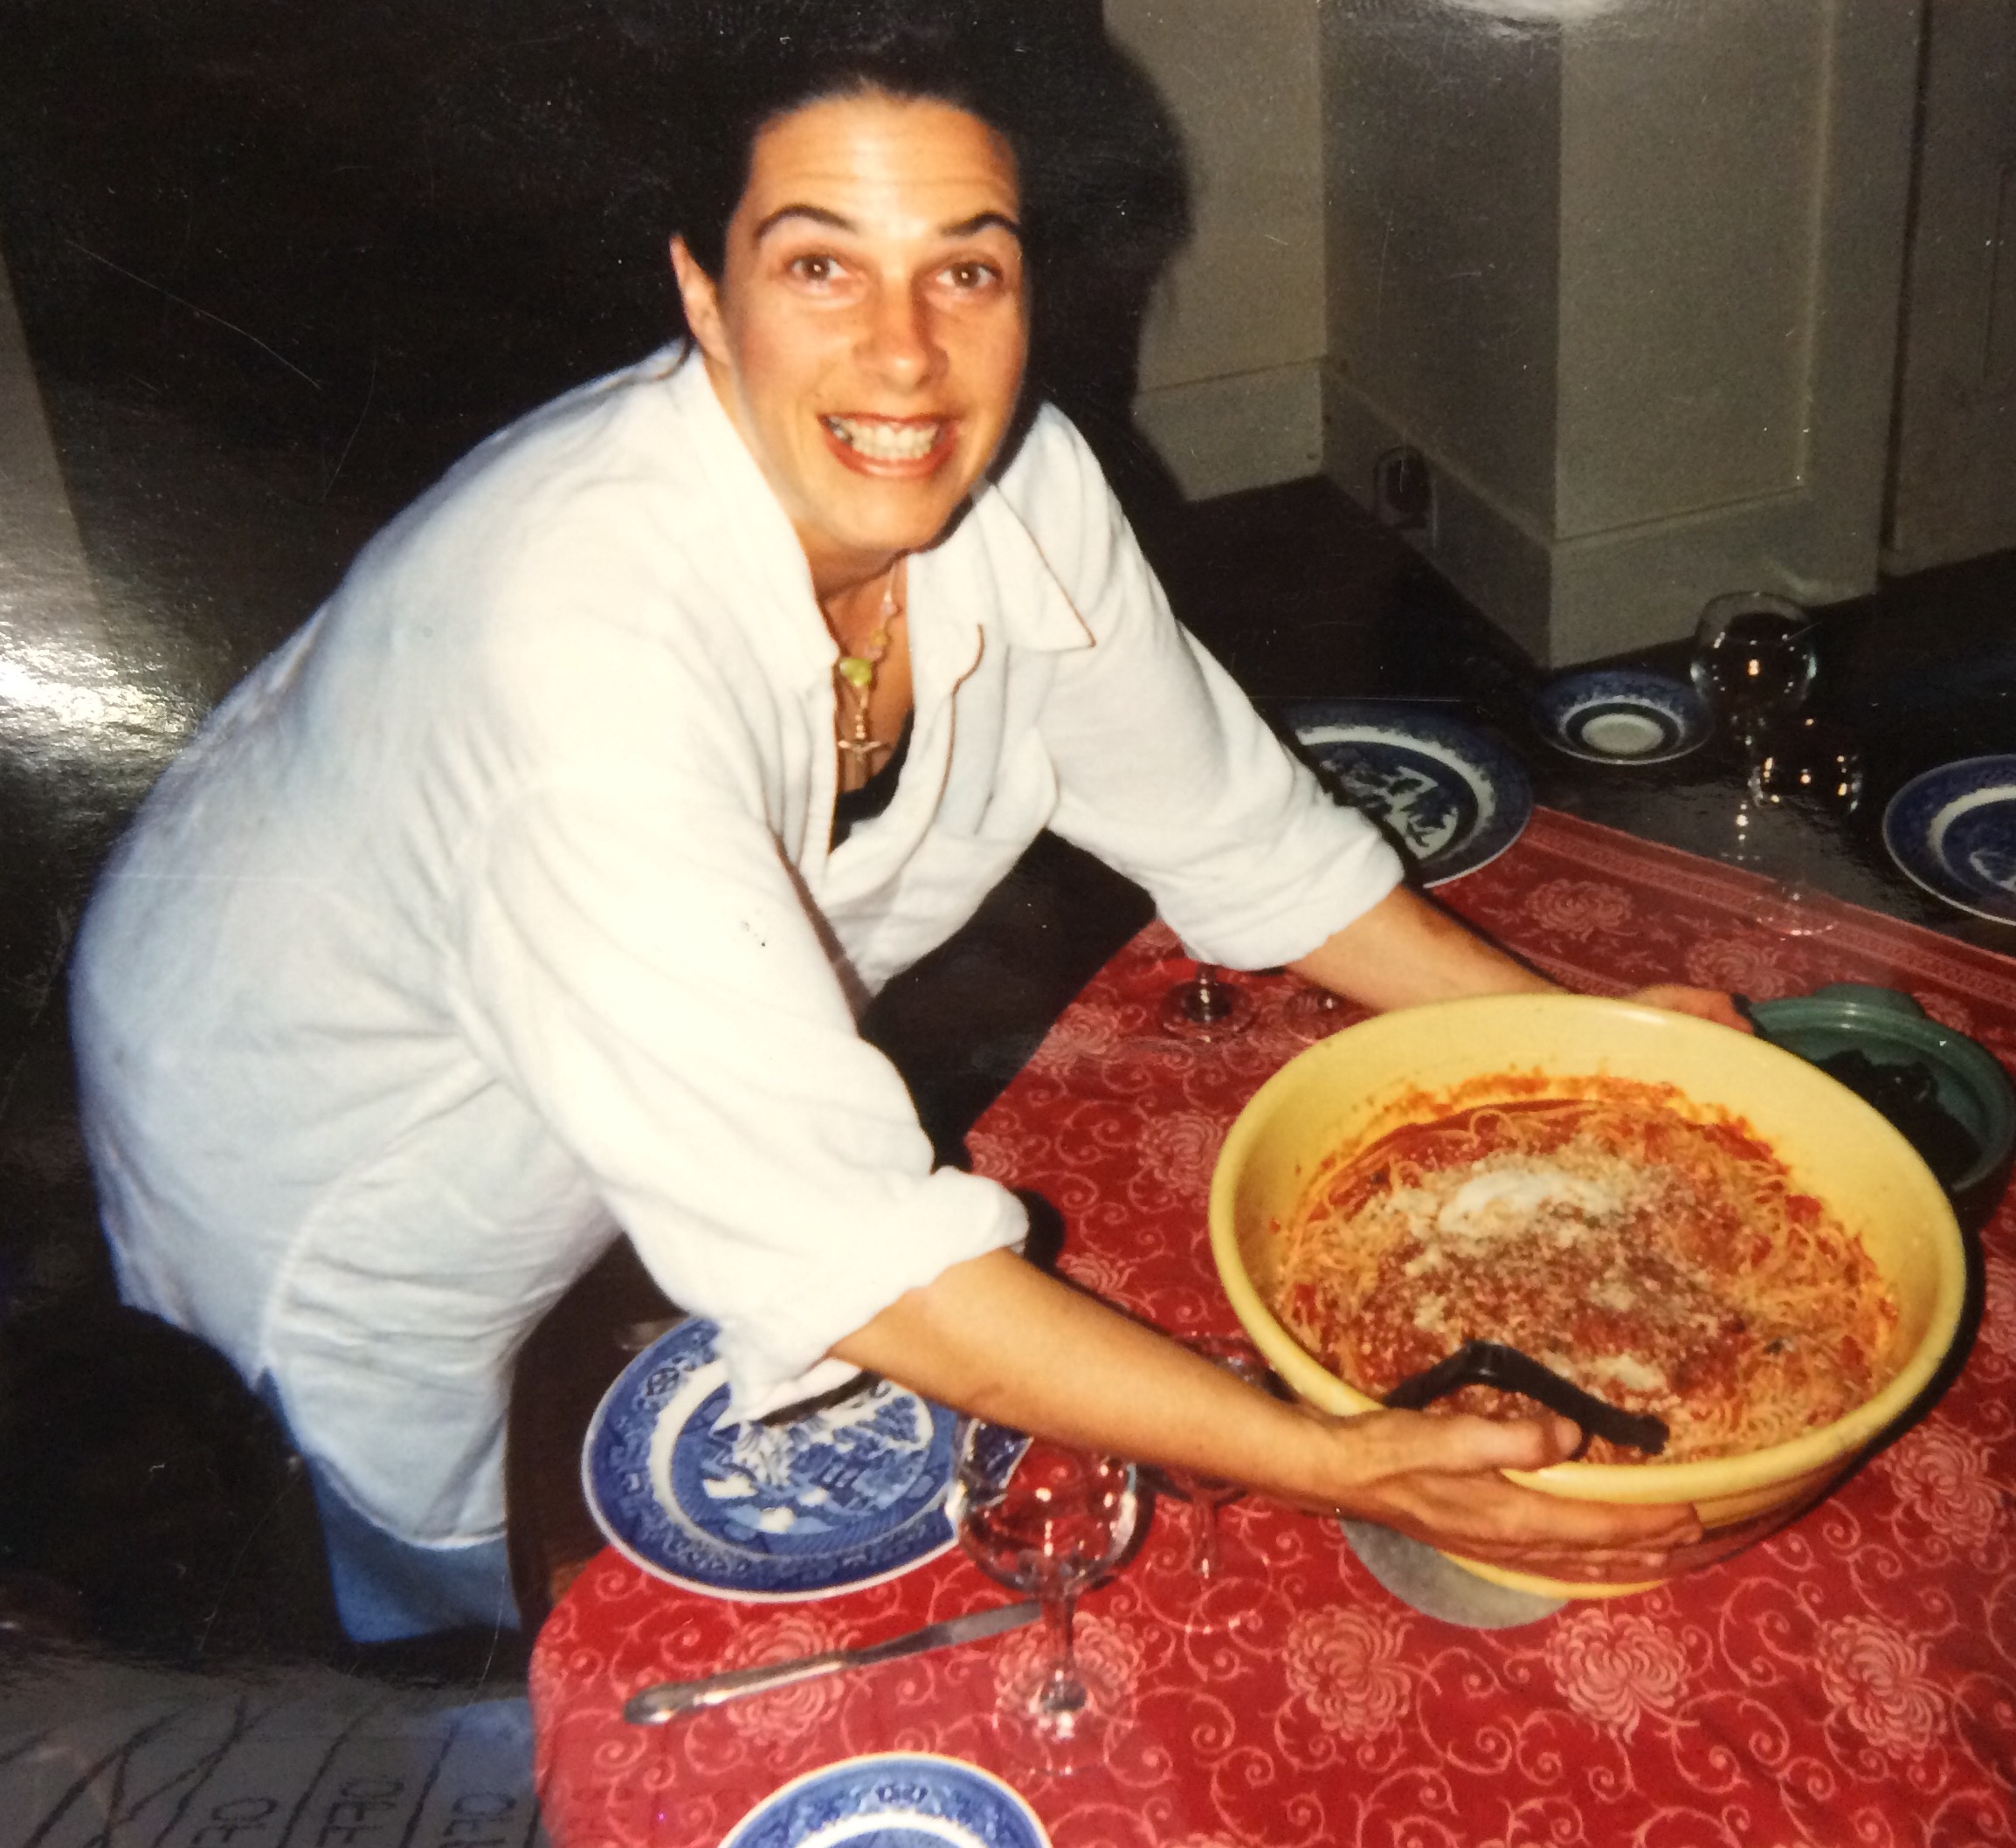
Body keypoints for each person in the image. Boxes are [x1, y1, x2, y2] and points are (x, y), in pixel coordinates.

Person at [68, 15, 1742, 1643]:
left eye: (968, 266)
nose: (906, 353)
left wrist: (1591, 1050)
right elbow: (863, 1263)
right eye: (820, 265)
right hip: (322, 1131)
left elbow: (1251, 847)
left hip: (551, 982)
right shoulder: (576, 670)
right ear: (702, 298)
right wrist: (1342, 1462)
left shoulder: (1017, 482)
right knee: (441, 1607)